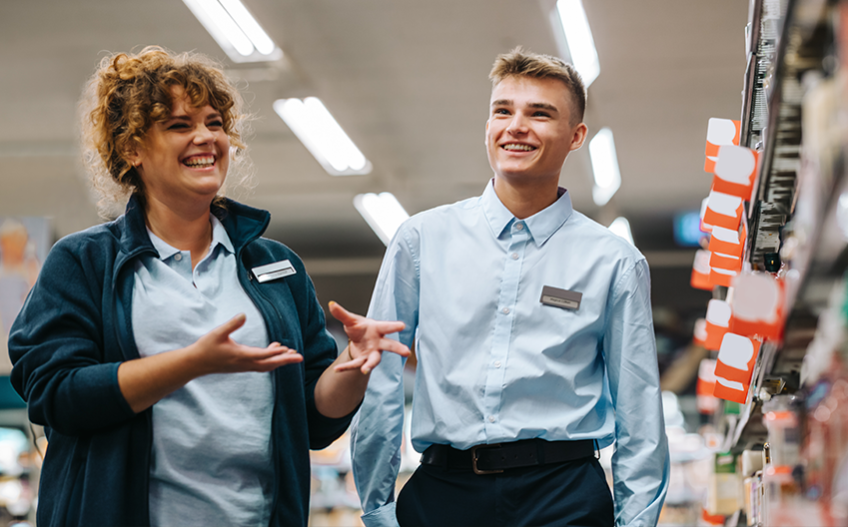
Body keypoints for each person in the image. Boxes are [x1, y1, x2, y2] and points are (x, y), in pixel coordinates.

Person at [7, 46, 409, 527]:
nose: (205, 137)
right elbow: (56, 396)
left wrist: (352, 365)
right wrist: (191, 363)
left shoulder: (276, 266)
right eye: (180, 125)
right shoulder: (84, 261)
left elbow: (316, 421)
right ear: (131, 148)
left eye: (215, 123)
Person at [351, 47, 669, 527]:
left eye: (540, 114)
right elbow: (381, 378)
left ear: (576, 136)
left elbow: (639, 405)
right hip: (443, 494)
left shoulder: (614, 261)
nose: (516, 126)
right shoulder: (420, 241)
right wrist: (377, 507)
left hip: (564, 497)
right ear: (488, 127)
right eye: (503, 111)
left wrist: (636, 521)